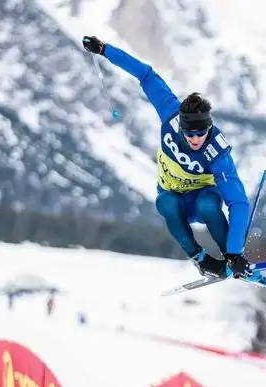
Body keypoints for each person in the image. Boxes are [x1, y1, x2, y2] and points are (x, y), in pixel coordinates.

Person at [81, 36, 252, 279]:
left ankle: (229, 258)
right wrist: (104, 50)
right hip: (175, 198)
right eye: (189, 134)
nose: (195, 139)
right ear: (181, 127)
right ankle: (201, 260)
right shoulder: (170, 114)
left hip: (203, 197)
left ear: (209, 128)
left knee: (207, 205)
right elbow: (146, 75)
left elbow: (239, 203)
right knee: (165, 203)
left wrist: (235, 251)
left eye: (201, 133)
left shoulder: (217, 155)